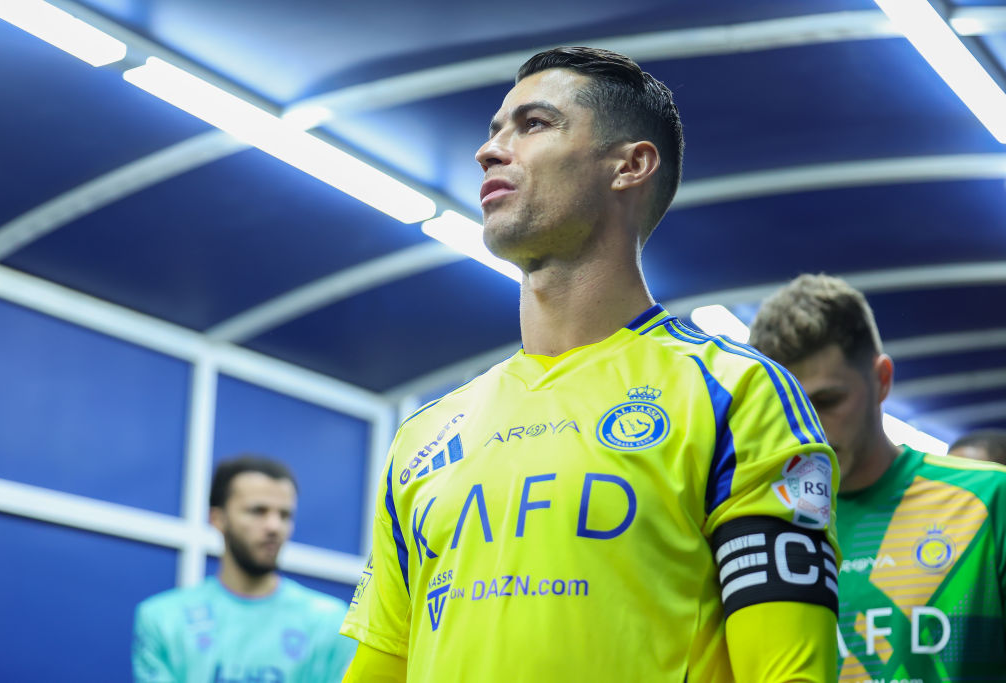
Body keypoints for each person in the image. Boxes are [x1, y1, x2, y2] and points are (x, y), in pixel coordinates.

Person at [340, 46, 840, 682]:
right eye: (494, 130)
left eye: (534, 124)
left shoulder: (736, 395)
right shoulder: (425, 434)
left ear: (630, 166)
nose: (489, 151)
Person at [749, 273, 1006, 681]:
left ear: (882, 380)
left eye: (828, 401)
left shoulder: (988, 500)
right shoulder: (761, 525)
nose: (810, 431)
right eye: (790, 410)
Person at [133, 455, 356, 682]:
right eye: (258, 511)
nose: (274, 526)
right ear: (218, 519)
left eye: (284, 515)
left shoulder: (329, 623)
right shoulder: (163, 620)